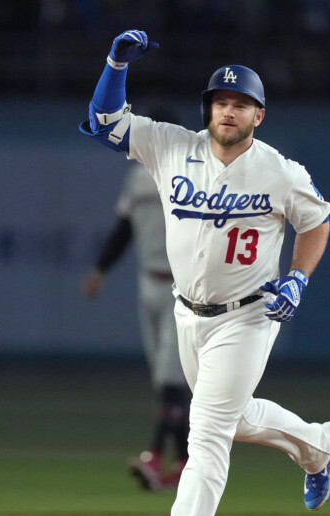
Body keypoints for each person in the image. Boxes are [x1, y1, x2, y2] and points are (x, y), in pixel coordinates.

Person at [78, 29, 330, 516]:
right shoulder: (171, 145)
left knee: (207, 433)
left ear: (259, 115)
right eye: (221, 102)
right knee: (233, 417)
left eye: (241, 104)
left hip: (249, 317)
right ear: (209, 108)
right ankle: (318, 446)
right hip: (186, 315)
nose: (229, 110)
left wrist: (297, 277)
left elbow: (317, 222)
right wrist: (115, 65)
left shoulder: (279, 170)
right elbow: (104, 123)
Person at [81, 108, 190, 491]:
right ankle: (187, 467)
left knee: (171, 378)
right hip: (148, 286)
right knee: (166, 381)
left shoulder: (190, 175)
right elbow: (123, 230)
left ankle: (156, 455)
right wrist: (100, 269)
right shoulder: (137, 177)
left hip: (184, 290)